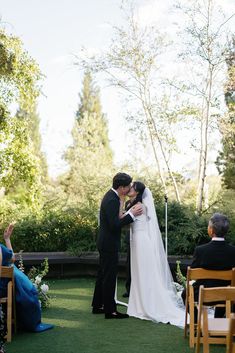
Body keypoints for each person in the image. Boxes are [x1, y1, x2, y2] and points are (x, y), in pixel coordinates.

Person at [126, 182, 185, 327]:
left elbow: (124, 219)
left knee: (144, 272)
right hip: (136, 241)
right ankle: (139, 303)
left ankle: (148, 303)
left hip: (141, 241)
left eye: (132, 187)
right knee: (139, 272)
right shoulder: (132, 204)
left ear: (138, 191)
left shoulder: (139, 206)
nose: (129, 189)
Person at [92, 172, 143, 319]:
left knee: (102, 275)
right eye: (127, 187)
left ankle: (98, 305)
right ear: (121, 187)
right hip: (108, 244)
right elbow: (115, 225)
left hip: (105, 242)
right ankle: (110, 311)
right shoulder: (112, 200)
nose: (128, 189)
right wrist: (132, 215)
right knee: (109, 277)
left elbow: (114, 219)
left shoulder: (112, 196)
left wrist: (127, 212)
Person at [0, 224, 54, 332]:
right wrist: (7, 239)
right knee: (25, 287)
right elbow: (12, 258)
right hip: (2, 290)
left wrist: (7, 238)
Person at [181, 212, 235, 319]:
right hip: (227, 294)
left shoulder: (200, 250)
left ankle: (197, 322)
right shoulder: (233, 251)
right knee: (228, 289)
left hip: (202, 293)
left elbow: (192, 274)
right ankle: (219, 322)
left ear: (211, 230)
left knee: (185, 294)